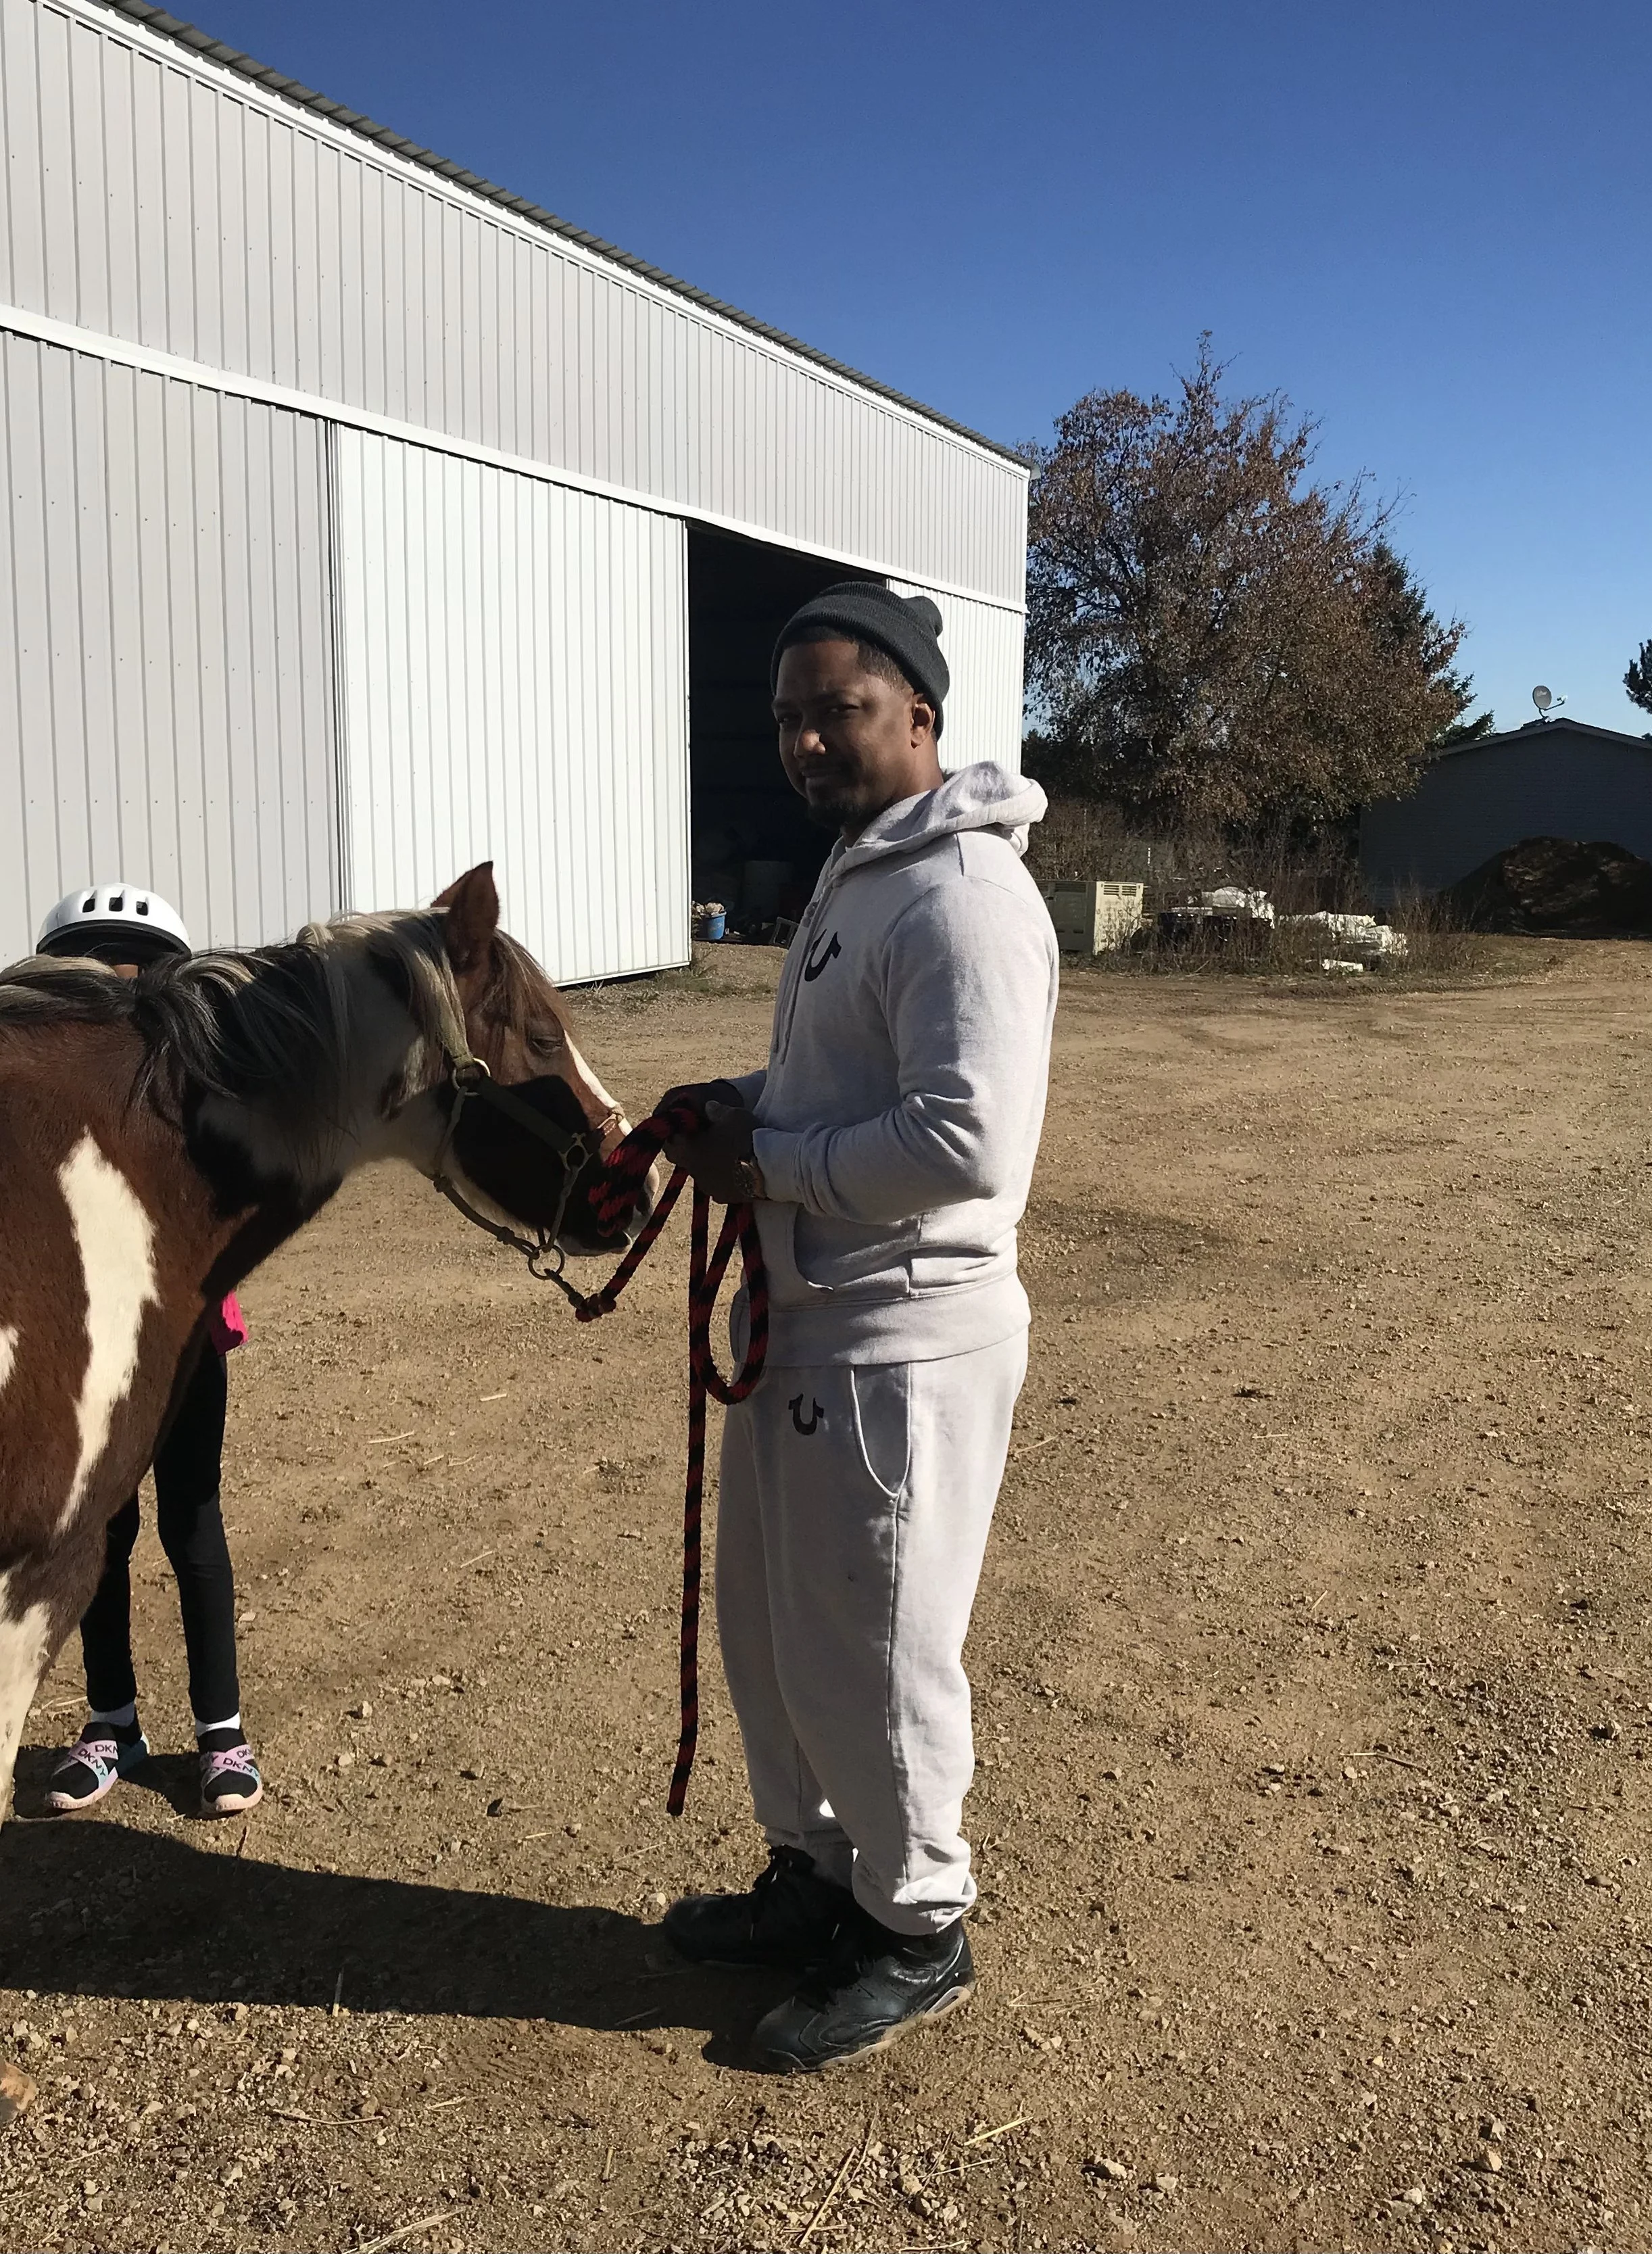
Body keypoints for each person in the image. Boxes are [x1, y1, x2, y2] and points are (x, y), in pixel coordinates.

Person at [658, 583, 1058, 2071]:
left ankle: (916, 1925)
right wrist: (734, 1109)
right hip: (809, 1314)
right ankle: (818, 1874)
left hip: (901, 1335)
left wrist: (766, 1165)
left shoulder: (962, 899)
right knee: (777, 1630)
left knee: (877, 1646)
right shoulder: (856, 876)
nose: (806, 736)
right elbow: (837, 1088)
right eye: (787, 715)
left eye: (837, 706)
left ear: (919, 715)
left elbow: (964, 1143)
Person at [33, 882, 263, 1819]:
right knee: (103, 1534)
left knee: (193, 1526)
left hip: (183, 1345)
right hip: (88, 1352)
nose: (116, 990)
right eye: (95, 971)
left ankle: (222, 1731)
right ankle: (111, 1720)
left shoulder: (197, 1094)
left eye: (135, 971)